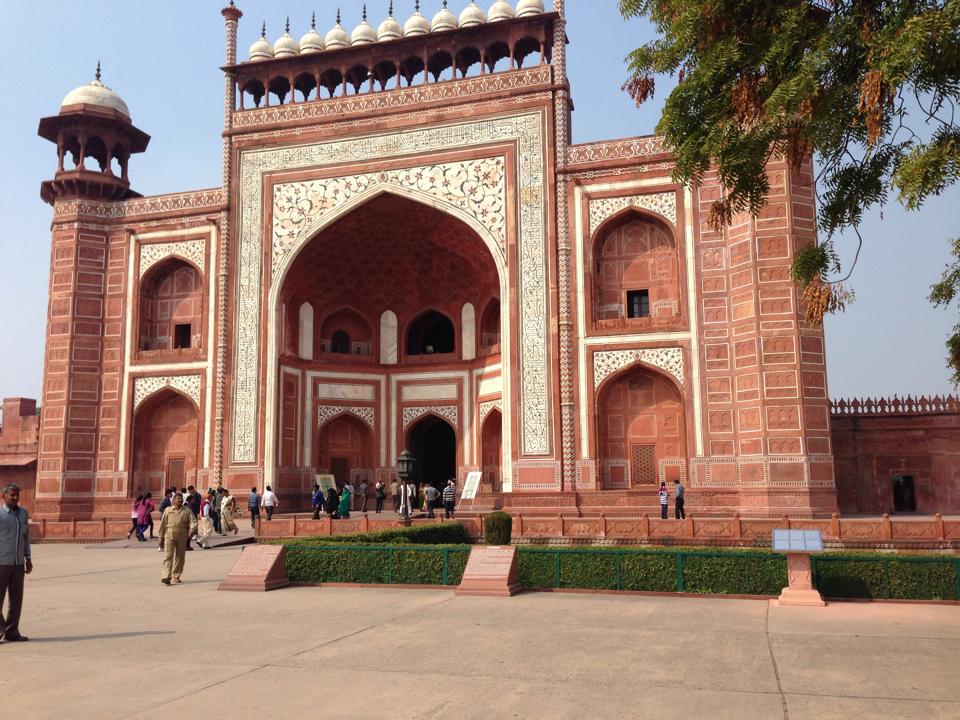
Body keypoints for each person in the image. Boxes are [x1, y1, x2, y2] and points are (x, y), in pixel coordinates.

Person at [0, 483, 33, 642]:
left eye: (17, 495)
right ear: (3, 496)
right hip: (1, 562)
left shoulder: (23, 513)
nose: (14, 498)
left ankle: (12, 632)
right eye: (11, 495)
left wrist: (28, 558)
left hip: (18, 562)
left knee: (16, 599)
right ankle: (1, 629)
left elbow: (25, 538)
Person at [157, 493, 197, 585]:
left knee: (180, 557)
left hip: (182, 534)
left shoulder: (187, 510)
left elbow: (193, 521)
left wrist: (193, 529)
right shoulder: (168, 510)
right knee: (168, 556)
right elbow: (163, 524)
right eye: (178, 498)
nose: (180, 500)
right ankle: (166, 576)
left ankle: (176, 575)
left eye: (181, 499)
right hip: (169, 534)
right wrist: (160, 537)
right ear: (174, 500)